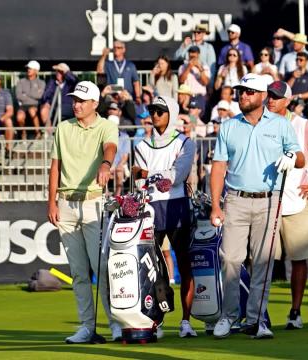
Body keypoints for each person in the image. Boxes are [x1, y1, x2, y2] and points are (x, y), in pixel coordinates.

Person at [209, 73, 305, 339]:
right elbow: (218, 167)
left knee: (263, 262)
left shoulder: (280, 124)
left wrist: (290, 156)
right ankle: (228, 315)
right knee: (230, 258)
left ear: (263, 96)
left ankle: (256, 319)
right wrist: (216, 205)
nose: (243, 96)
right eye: (241, 91)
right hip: (236, 198)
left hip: (268, 199)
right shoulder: (228, 126)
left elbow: (300, 158)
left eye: (249, 92)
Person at [47, 81, 121, 343]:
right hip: (66, 204)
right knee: (78, 272)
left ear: (94, 104)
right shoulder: (63, 127)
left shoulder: (106, 125)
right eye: (74, 100)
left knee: (101, 269)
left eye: (81, 100)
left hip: (94, 204)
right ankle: (87, 327)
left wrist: (105, 163)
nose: (76, 104)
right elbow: (55, 166)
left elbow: (110, 147)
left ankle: (115, 323)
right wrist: (51, 202)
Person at [132, 95, 197, 337]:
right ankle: (156, 322)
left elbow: (177, 176)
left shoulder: (185, 143)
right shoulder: (141, 145)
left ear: (171, 112)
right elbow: (138, 178)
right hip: (150, 208)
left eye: (160, 110)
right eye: (152, 110)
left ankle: (186, 322)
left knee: (185, 263)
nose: (155, 114)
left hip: (177, 206)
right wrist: (156, 175)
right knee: (153, 270)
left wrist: (151, 174)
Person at [266, 80, 308, 330]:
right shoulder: (260, 124)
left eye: (276, 96)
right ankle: (259, 313)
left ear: (288, 100)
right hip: (267, 202)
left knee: (299, 260)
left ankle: (295, 312)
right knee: (262, 261)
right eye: (269, 95)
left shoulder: (303, 126)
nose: (270, 100)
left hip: (297, 201)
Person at [40, 63, 78, 127]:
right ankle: (49, 133)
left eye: (60, 71)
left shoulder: (70, 83)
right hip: (54, 105)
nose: (57, 73)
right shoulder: (52, 82)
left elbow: (74, 80)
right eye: (57, 71)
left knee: (61, 110)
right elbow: (45, 96)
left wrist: (66, 72)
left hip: (67, 105)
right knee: (44, 110)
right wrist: (47, 103)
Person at [16, 60, 46, 139]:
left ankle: (38, 133)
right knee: (19, 117)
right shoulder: (20, 82)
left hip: (36, 105)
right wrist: (33, 95)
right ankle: (23, 133)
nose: (28, 70)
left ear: (36, 71)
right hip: (23, 105)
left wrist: (26, 94)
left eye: (31, 68)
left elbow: (40, 96)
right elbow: (18, 96)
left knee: (32, 111)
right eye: (28, 68)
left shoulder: (41, 83)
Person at [178, 46, 211, 115]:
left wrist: (200, 68)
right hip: (187, 96)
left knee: (198, 117)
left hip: (199, 96)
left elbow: (206, 82)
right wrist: (189, 67)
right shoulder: (182, 67)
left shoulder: (205, 67)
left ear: (198, 54)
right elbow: (181, 80)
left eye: (194, 52)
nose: (192, 55)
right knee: (188, 117)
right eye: (191, 52)